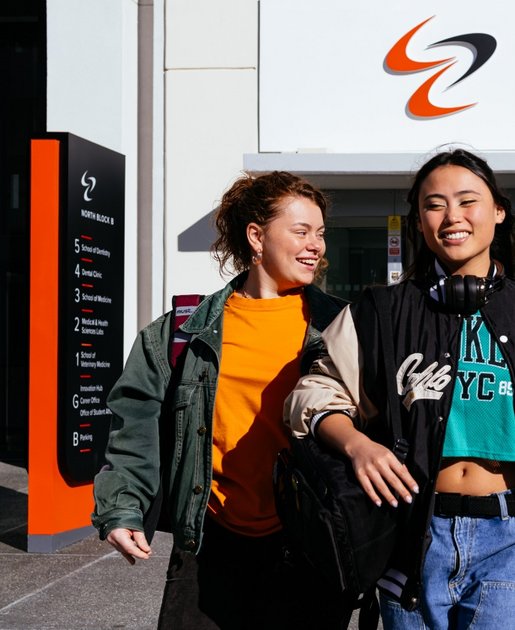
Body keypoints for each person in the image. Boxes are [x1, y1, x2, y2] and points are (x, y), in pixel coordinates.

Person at [284, 149, 515, 630]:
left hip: (514, 536)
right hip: (410, 538)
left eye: (467, 201)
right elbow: (315, 393)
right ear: (418, 220)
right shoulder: (378, 313)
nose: (452, 217)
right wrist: (357, 445)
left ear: (498, 211)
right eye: (434, 205)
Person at [92, 171, 349, 629]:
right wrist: (122, 508)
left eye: (320, 233)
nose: (316, 245)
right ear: (256, 236)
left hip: (307, 543)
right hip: (209, 542)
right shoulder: (181, 333)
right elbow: (135, 427)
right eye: (301, 231)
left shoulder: (341, 328)